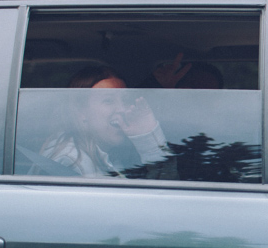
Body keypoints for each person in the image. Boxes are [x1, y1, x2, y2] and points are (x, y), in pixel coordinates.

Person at [39, 66, 172, 178]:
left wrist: (147, 137)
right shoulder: (70, 162)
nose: (122, 109)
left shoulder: (114, 151)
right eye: (108, 101)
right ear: (81, 113)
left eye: (125, 100)